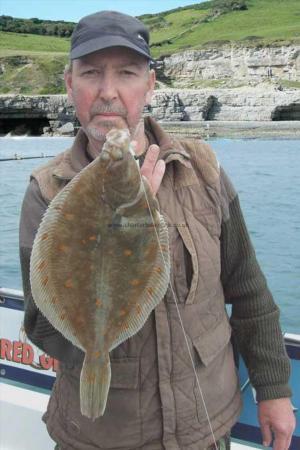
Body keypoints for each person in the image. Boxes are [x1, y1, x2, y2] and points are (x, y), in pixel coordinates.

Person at [19, 10, 295, 450]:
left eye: (126, 73)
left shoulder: (202, 169)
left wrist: (274, 389)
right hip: (98, 437)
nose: (108, 92)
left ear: (149, 84)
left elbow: (248, 287)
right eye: (91, 73)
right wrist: (122, 230)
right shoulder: (46, 191)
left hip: (206, 427)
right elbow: (41, 325)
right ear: (70, 84)